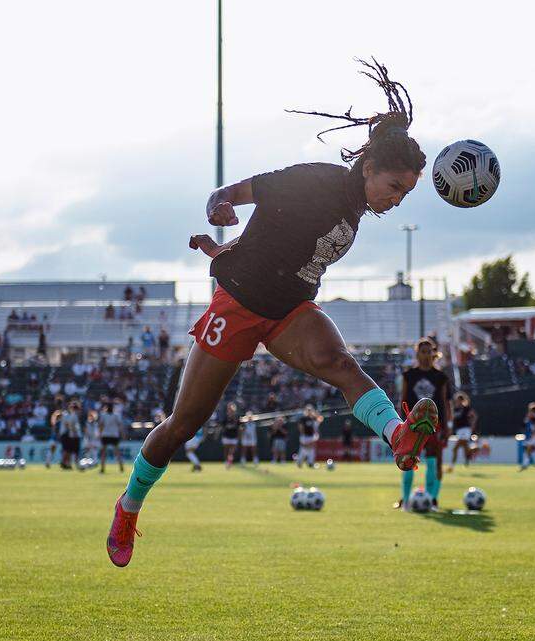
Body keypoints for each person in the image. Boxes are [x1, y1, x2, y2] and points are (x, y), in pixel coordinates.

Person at [106, 59, 438, 567]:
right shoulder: (319, 182)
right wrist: (221, 204)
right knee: (183, 425)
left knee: (341, 365)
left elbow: (280, 246)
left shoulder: (354, 206)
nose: (396, 201)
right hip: (237, 307)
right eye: (394, 187)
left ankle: (398, 437)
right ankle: (129, 506)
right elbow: (246, 191)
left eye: (405, 193)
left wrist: (224, 251)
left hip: (289, 312)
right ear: (368, 169)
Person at [396, 337, 451, 508]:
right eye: (423, 351)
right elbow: (403, 399)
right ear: (417, 354)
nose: (426, 355)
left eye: (429, 351)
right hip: (412, 424)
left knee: (434, 460)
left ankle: (431, 499)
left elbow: (444, 402)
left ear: (433, 353)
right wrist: (400, 422)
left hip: (434, 424)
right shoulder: (409, 375)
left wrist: (447, 425)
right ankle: (405, 500)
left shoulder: (440, 376)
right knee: (407, 460)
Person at [448, 392, 477, 472]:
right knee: (464, 448)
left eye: (459, 400)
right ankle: (472, 450)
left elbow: (474, 416)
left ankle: (451, 466)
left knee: (455, 448)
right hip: (459, 431)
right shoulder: (455, 409)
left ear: (462, 400)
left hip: (465, 429)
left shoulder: (466, 408)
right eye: (457, 400)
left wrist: (472, 426)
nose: (457, 402)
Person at [99, 401, 125, 474]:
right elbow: (120, 425)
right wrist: (122, 434)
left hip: (105, 435)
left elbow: (101, 425)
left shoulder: (103, 415)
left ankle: (102, 468)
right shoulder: (116, 415)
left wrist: (100, 434)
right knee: (117, 452)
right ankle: (121, 467)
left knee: (104, 452)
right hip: (114, 435)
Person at [220, 402, 241, 469]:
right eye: (229, 408)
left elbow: (239, 426)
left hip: (234, 436)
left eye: (231, 408)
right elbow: (222, 425)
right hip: (226, 436)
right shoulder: (225, 416)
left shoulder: (237, 417)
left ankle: (229, 462)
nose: (230, 410)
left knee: (231, 451)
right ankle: (226, 462)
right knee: (226, 450)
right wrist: (227, 426)